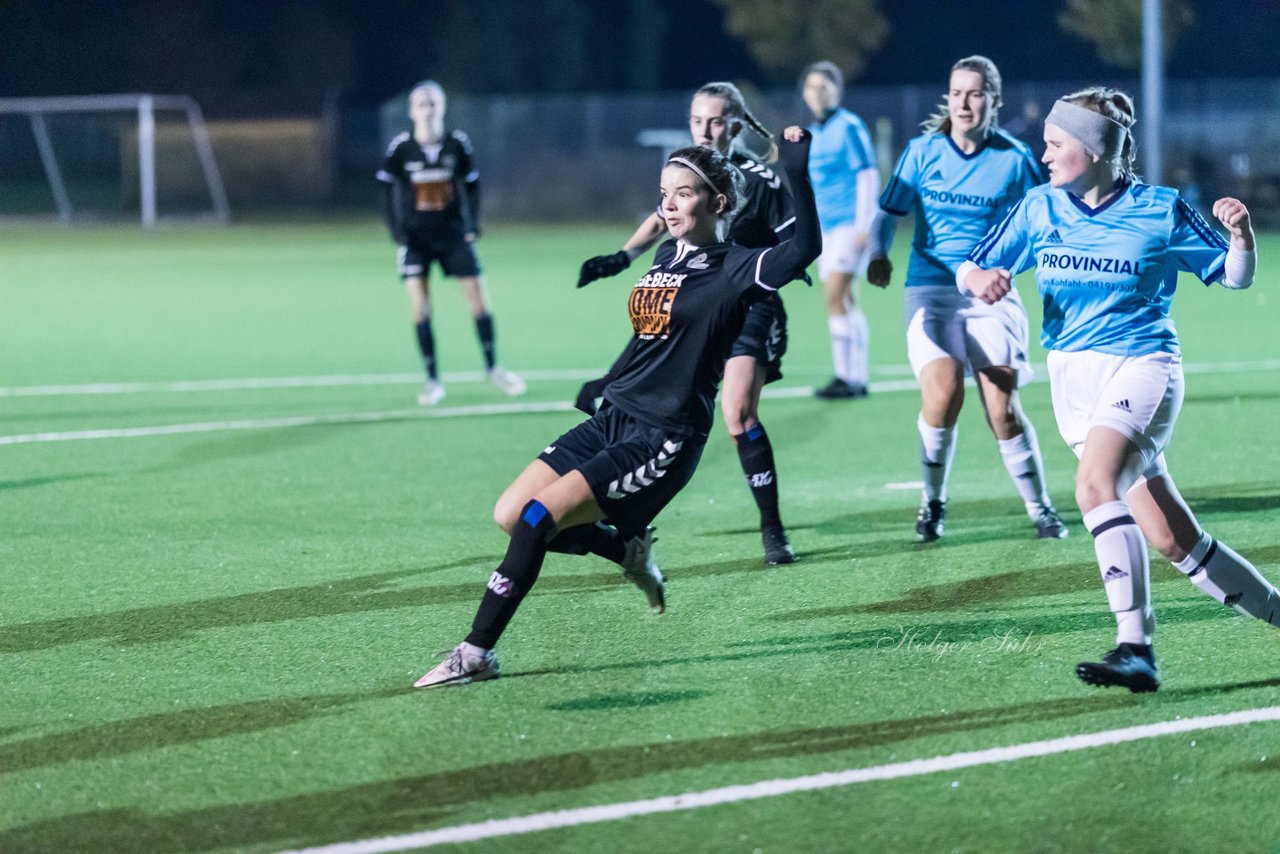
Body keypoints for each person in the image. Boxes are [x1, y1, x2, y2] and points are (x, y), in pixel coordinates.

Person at [414, 128, 822, 688]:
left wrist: (798, 169)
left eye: (683, 193)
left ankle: (476, 653)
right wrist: (608, 377)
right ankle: (626, 550)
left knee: (537, 520)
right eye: (664, 192)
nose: (668, 204)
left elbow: (804, 250)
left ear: (718, 203)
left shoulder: (735, 267)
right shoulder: (664, 253)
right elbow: (649, 333)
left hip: (663, 436)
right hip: (617, 415)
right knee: (510, 515)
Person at [960, 86, 1280, 692]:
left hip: (1143, 367)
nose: (1045, 154)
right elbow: (970, 263)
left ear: (1095, 149)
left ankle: (1136, 646)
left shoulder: (1160, 208)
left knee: (1093, 485)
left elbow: (1234, 278)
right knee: (1171, 538)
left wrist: (1241, 238)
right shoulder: (1038, 207)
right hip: (1072, 384)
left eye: (1057, 144)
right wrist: (981, 278)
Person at [576, 81, 801, 565]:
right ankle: (630, 509)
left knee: (738, 412)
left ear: (735, 126)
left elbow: (794, 236)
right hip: (695, 307)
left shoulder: (759, 178)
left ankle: (772, 528)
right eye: (697, 119)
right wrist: (621, 257)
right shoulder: (690, 172)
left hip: (748, 305)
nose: (704, 129)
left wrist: (789, 263)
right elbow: (663, 219)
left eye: (715, 120)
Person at [867, 56, 1067, 542]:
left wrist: (1005, 271)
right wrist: (878, 252)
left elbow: (1043, 227)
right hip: (931, 290)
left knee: (1001, 406)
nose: (963, 102)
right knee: (942, 395)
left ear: (993, 101)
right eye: (957, 92)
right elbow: (888, 212)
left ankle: (1041, 508)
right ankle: (932, 503)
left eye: (975, 93)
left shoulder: (1016, 159)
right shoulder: (920, 153)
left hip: (990, 295)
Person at [377, 80, 525, 406]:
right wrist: (396, 229)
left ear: (441, 108)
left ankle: (493, 368)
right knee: (420, 309)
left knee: (479, 303)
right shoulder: (401, 148)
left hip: (453, 235)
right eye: (421, 104)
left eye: (432, 104)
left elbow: (471, 185)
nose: (427, 110)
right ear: (412, 111)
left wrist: (472, 223)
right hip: (416, 238)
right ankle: (432, 380)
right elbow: (385, 188)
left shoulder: (457, 145)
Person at [801, 61, 879, 399]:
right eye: (812, 87)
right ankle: (856, 378)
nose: (818, 93)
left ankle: (847, 377)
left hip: (849, 225)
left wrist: (864, 225)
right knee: (846, 299)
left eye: (825, 87)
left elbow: (867, 174)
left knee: (834, 296)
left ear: (837, 91)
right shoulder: (813, 132)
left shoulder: (849, 126)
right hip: (826, 230)